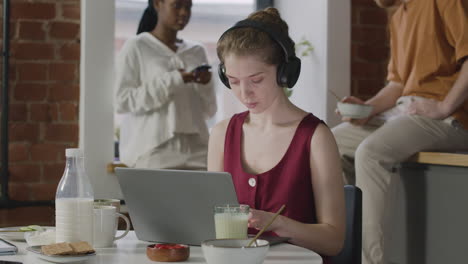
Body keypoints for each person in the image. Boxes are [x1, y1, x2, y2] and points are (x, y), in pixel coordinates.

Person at [332, 0, 468, 263]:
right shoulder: (398, 17)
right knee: (330, 144)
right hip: (405, 112)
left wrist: (444, 106)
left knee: (371, 153)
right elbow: (397, 84)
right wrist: (367, 108)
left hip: (450, 119)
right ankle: (345, 252)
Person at [207, 8, 345, 262]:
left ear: (285, 73)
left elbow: (333, 241)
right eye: (234, 81)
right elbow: (212, 227)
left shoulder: (315, 137)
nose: (244, 93)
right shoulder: (221, 134)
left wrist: (281, 224)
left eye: (256, 80)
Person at [115, 0, 216, 169]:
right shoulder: (137, 46)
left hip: (198, 152)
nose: (184, 12)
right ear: (157, 4)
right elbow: (121, 101)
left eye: (188, 7)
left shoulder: (197, 51)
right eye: (177, 5)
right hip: (153, 152)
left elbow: (209, 110)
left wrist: (206, 84)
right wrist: (174, 80)